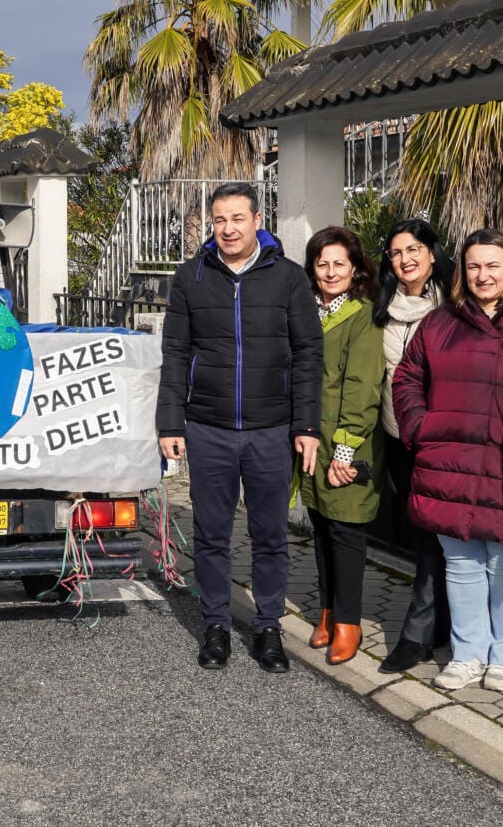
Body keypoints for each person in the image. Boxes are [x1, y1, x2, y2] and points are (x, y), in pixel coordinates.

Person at [157, 182, 323, 674]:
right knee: (211, 534)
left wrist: (306, 424)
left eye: (237, 218)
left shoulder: (289, 279)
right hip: (207, 427)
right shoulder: (191, 278)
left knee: (269, 533)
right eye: (219, 220)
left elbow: (309, 354)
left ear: (256, 220)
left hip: (271, 429)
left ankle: (268, 625)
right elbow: (175, 354)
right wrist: (171, 420)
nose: (228, 229)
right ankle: (214, 624)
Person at [392, 229, 503, 692]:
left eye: (493, 265)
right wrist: (420, 428)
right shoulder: (440, 323)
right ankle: (467, 653)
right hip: (448, 460)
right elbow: (407, 379)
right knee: (459, 561)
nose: (483, 275)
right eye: (474, 266)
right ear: (462, 271)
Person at [293, 227, 384, 665]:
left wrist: (344, 453)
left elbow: (363, 386)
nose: (330, 272)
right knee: (323, 529)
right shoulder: (310, 312)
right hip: (313, 441)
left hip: (349, 441)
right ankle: (326, 613)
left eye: (339, 264)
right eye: (322, 264)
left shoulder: (363, 315)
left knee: (346, 532)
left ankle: (349, 622)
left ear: (355, 268)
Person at [373, 219, 455, 674]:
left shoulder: (454, 306)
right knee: (424, 534)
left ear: (430, 252)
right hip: (396, 436)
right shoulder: (383, 308)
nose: (405, 259)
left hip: (440, 439)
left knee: (438, 538)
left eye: (414, 249)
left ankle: (419, 633)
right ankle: (437, 625)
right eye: (396, 252)